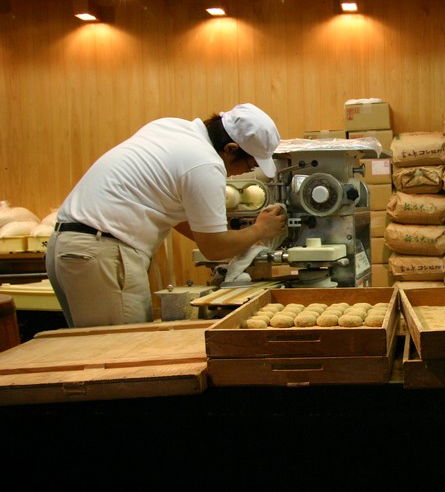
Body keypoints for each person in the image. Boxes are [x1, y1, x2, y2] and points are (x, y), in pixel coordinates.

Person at [46, 103, 287, 328]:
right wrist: (260, 230)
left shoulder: (170, 128)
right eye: (249, 165)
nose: (242, 173)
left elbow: (177, 216)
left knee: (90, 349)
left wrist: (240, 243)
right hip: (102, 253)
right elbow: (213, 248)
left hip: (67, 245)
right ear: (230, 149)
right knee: (119, 352)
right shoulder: (205, 164)